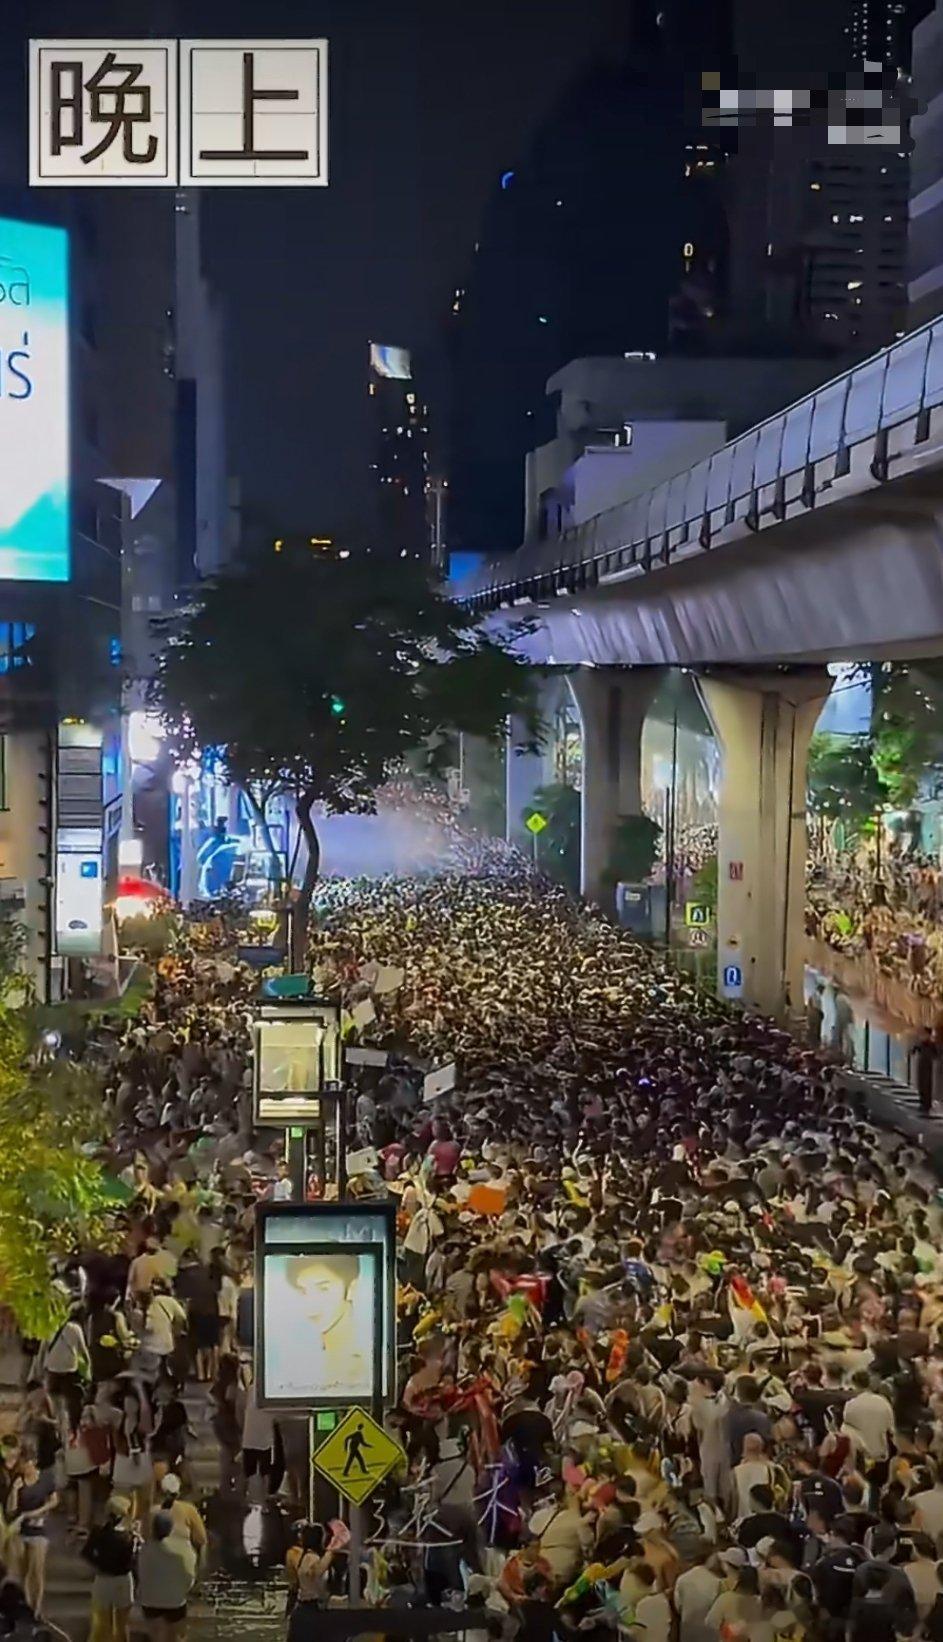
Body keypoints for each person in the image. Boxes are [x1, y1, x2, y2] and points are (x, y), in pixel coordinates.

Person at [267, 1253, 369, 1399]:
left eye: (323, 1289)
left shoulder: (365, 1367)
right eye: (303, 1291)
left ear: (351, 1288)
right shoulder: (300, 1365)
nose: (311, 1304)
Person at [6, 1446, 58, 1617]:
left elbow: (54, 1501)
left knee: (37, 1571)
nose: (23, 1467)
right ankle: (27, 1607)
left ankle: (37, 1608)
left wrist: (36, 1512)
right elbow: (11, 1510)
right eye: (21, 1463)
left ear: (33, 1462)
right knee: (23, 1571)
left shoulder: (45, 1478)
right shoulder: (17, 1480)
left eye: (25, 1463)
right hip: (21, 1530)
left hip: (39, 1529)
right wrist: (14, 1490)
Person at [136, 1509, 197, 1641]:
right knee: (177, 1637)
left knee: (156, 1637)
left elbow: (141, 1574)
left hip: (150, 1602)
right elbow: (189, 1577)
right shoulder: (183, 1550)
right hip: (175, 1602)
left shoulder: (145, 1550)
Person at [83, 1493, 136, 1642]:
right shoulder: (128, 1537)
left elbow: (86, 1553)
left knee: (101, 1624)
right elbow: (130, 1562)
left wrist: (99, 1563)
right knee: (122, 1624)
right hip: (123, 1580)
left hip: (103, 1579)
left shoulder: (99, 1532)